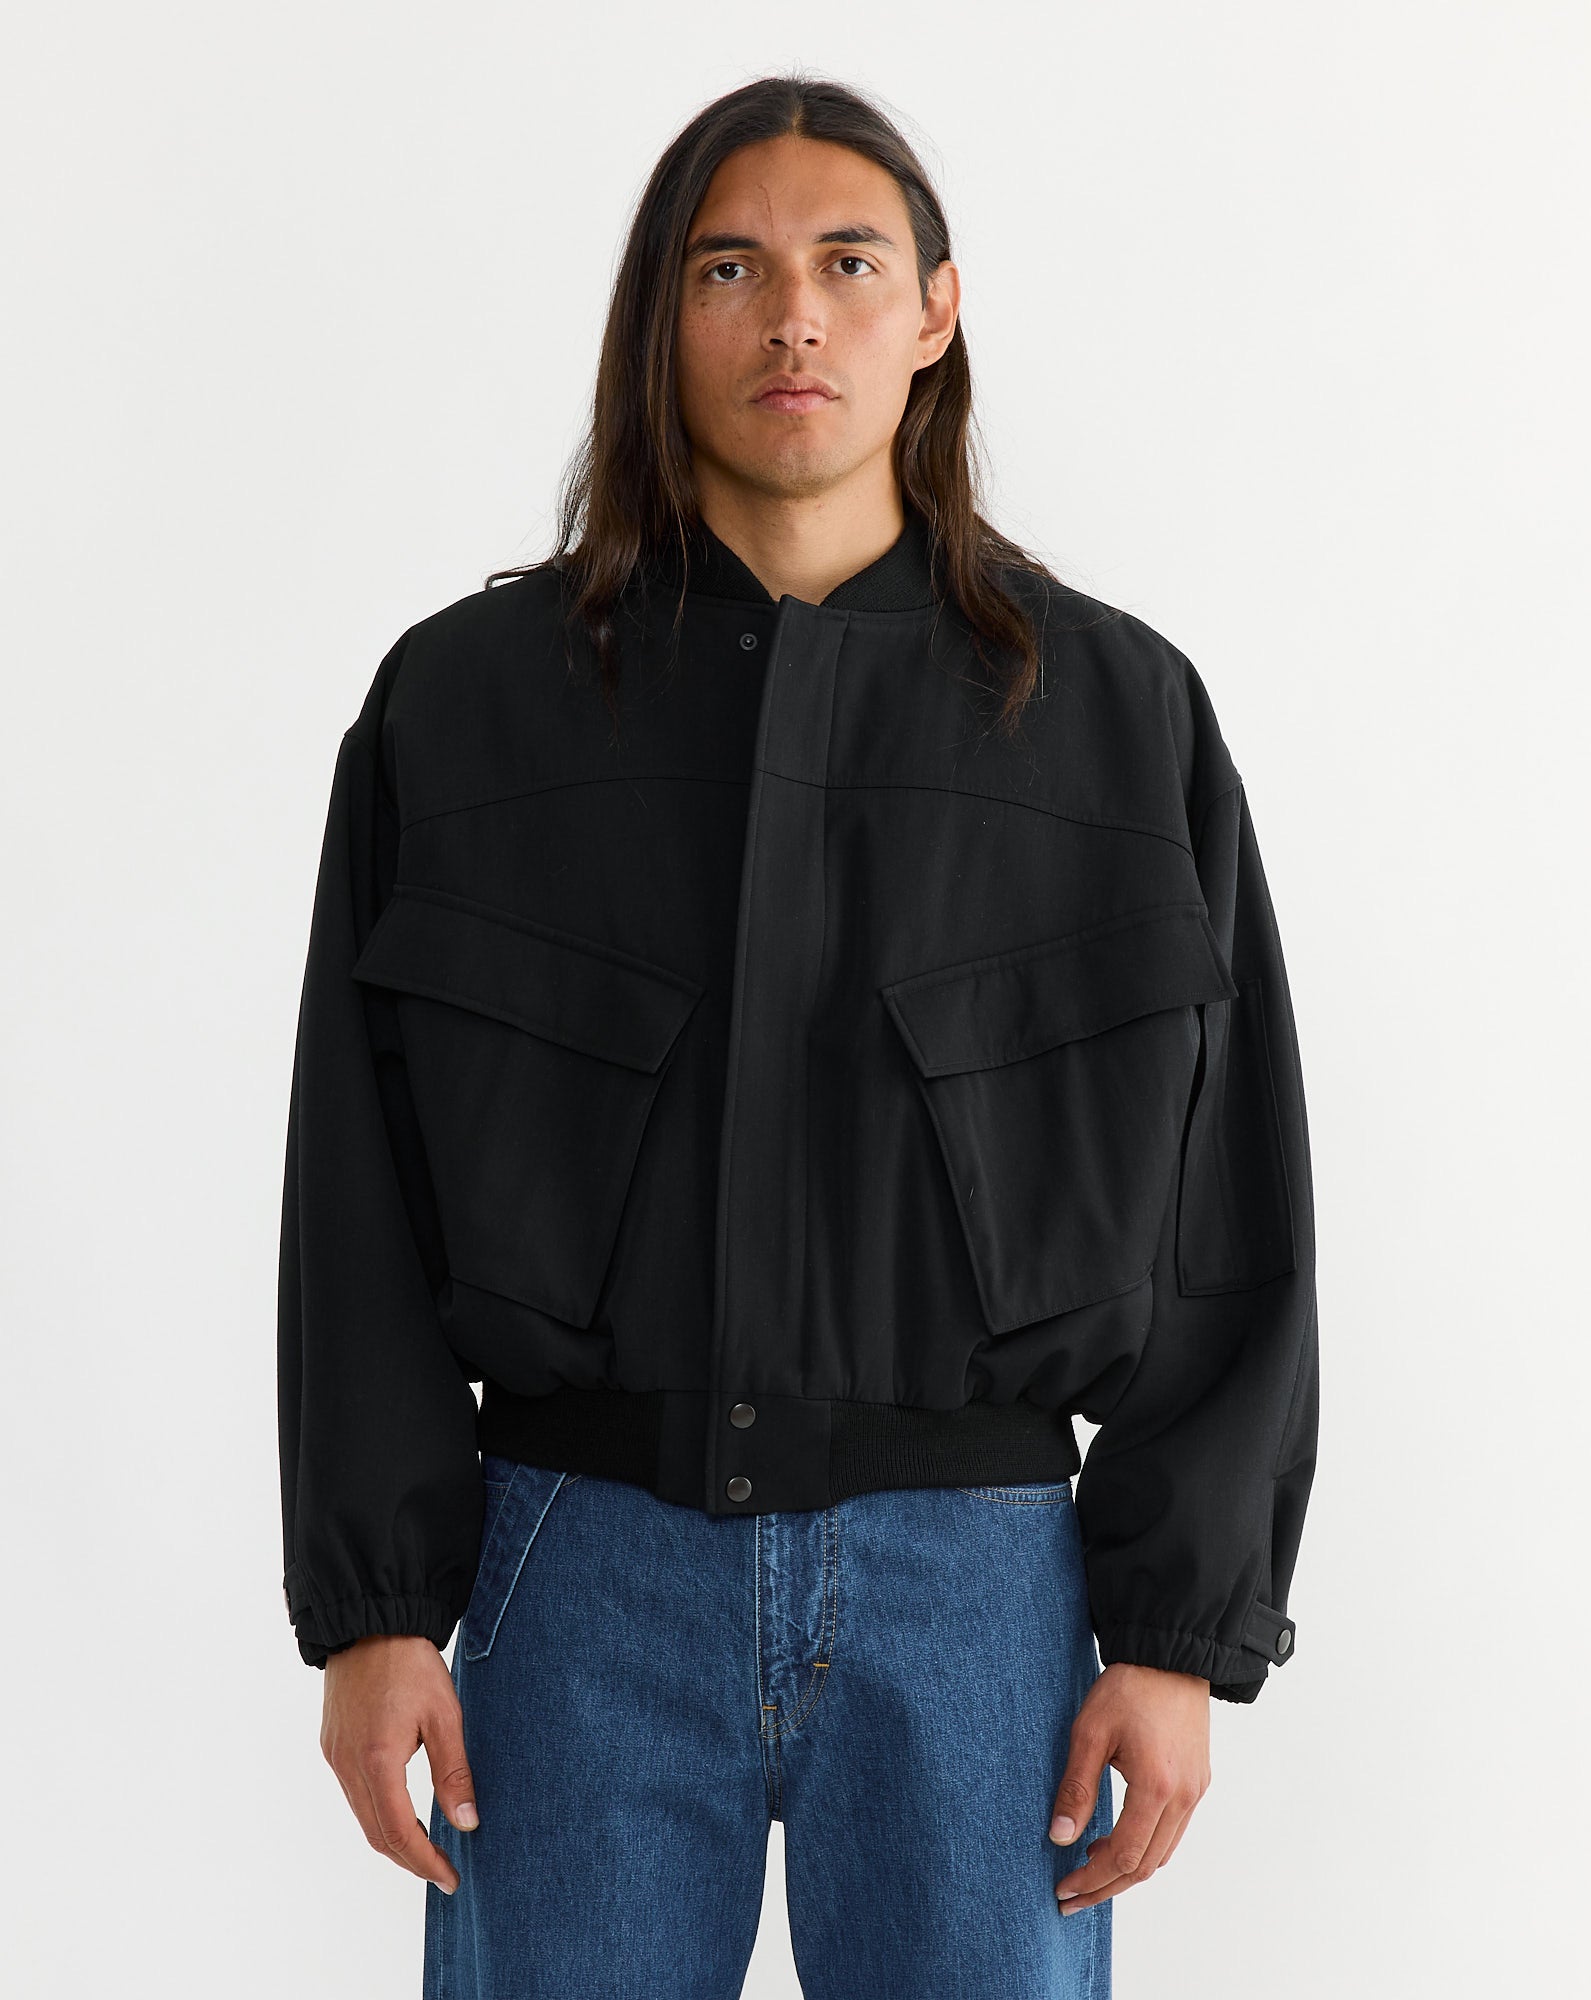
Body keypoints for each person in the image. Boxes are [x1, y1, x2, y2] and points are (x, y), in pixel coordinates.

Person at [277, 74, 1318, 2000]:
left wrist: (1177, 1632)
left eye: (848, 264)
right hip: (573, 1570)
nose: (793, 319)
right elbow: (356, 1183)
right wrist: (374, 1606)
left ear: (935, 313)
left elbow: (1227, 1202)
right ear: (660, 321)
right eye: (729, 270)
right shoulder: (467, 708)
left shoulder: (1116, 722)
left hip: (980, 1588)